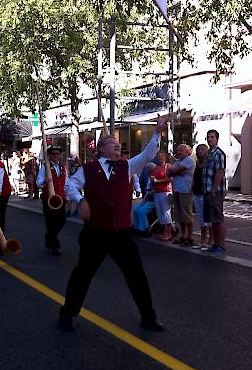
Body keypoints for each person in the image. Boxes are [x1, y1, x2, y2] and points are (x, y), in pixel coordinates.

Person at [59, 115, 169, 333]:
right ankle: (67, 314)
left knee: (136, 275)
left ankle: (148, 317)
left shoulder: (127, 166)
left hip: (121, 233)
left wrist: (157, 131)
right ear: (101, 150)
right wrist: (81, 201)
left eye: (119, 144)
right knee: (82, 275)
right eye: (112, 143)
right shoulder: (88, 169)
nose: (118, 146)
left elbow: (149, 153)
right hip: (96, 232)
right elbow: (69, 185)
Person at [36, 145, 67, 256]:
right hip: (48, 198)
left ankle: (49, 237)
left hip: (61, 198)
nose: (55, 156)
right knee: (51, 222)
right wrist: (44, 181)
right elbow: (38, 182)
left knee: (62, 220)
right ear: (49, 155)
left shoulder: (63, 167)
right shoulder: (45, 167)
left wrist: (67, 197)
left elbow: (66, 182)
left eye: (57, 154)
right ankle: (54, 246)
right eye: (53, 154)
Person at [202, 129, 227, 256]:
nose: (210, 139)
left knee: (218, 219)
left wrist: (214, 189)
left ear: (217, 139)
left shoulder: (218, 153)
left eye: (212, 137)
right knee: (212, 220)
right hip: (207, 191)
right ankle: (215, 244)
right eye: (208, 137)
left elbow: (220, 172)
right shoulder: (209, 153)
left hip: (214, 192)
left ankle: (221, 245)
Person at [169, 144, 196, 246]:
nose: (179, 152)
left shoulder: (189, 160)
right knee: (180, 215)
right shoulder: (178, 161)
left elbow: (174, 171)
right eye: (178, 150)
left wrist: (175, 170)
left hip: (185, 190)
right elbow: (171, 172)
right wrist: (175, 170)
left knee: (187, 215)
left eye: (181, 150)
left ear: (187, 151)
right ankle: (183, 236)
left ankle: (190, 237)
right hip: (177, 190)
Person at [192, 144, 212, 250]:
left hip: (205, 194)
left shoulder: (209, 163)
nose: (200, 151)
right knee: (201, 219)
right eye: (198, 149)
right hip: (196, 193)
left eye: (202, 149)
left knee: (208, 219)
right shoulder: (197, 164)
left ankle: (210, 241)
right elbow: (194, 178)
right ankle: (202, 241)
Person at [151, 152, 173, 241]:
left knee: (166, 213)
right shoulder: (155, 168)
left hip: (165, 192)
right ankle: (164, 232)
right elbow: (153, 179)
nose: (160, 158)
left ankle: (169, 233)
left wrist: (157, 181)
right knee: (160, 213)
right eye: (158, 156)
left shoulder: (168, 166)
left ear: (165, 157)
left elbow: (171, 179)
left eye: (161, 156)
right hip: (157, 192)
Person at [132, 163, 156, 234]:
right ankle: (136, 227)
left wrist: (149, 193)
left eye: (145, 169)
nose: (144, 171)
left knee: (142, 211)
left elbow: (157, 191)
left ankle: (144, 228)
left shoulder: (155, 178)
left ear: (150, 170)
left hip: (154, 200)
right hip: (148, 199)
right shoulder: (149, 177)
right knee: (136, 209)